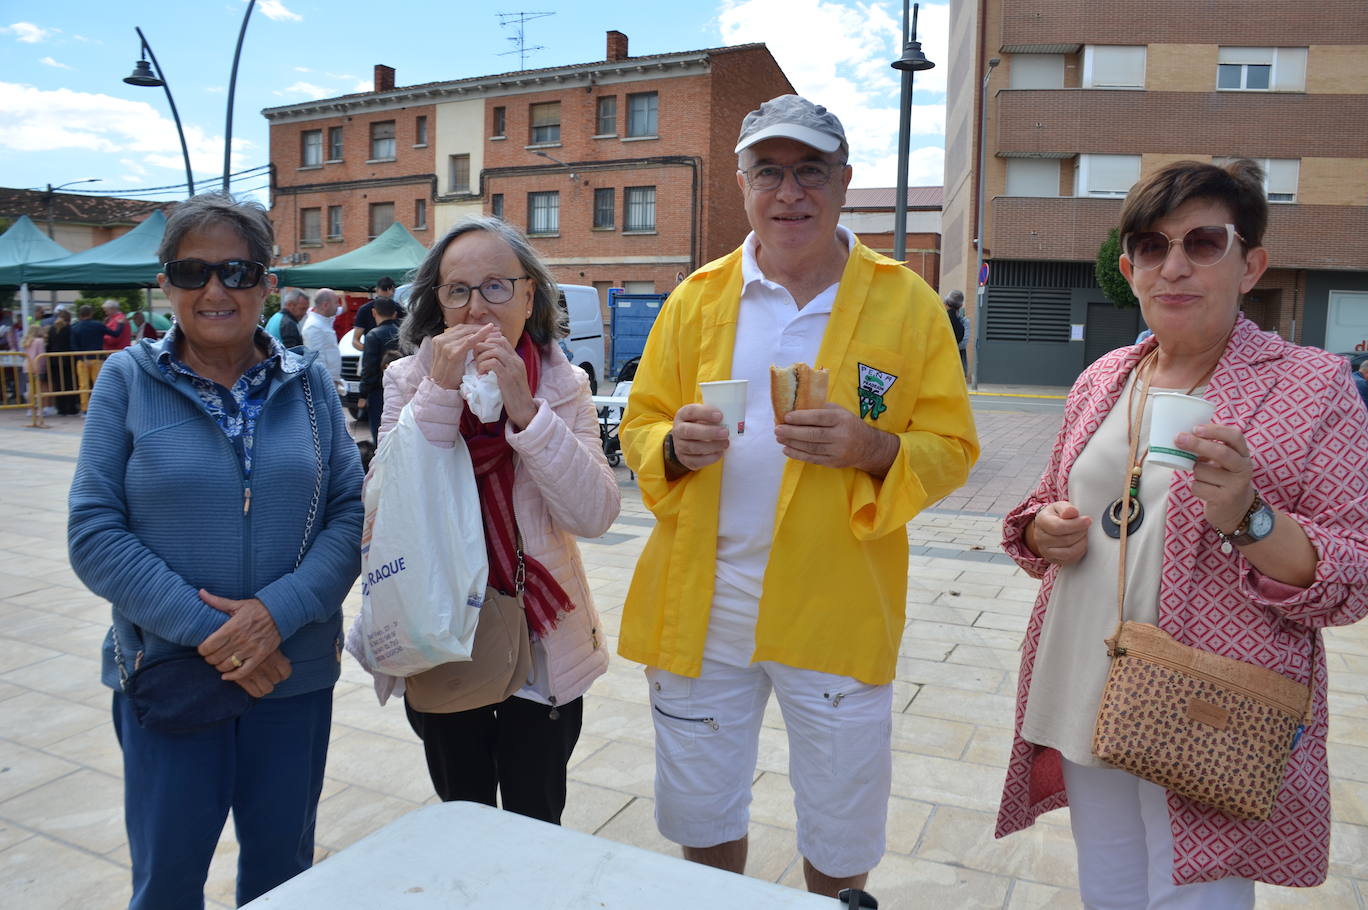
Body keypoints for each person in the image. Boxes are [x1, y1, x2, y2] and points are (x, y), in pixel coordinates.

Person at [617, 94, 979, 899]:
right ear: (743, 185)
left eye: (810, 171)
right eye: (769, 173)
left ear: (844, 181)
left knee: (841, 821)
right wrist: (672, 447)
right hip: (703, 607)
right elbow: (639, 424)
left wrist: (873, 447)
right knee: (704, 813)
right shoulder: (696, 297)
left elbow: (952, 447)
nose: (791, 193)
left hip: (838, 606)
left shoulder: (906, 301)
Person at [995, 160, 1368, 906]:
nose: (1173, 266)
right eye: (1151, 245)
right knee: (1108, 879)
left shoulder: (1313, 385)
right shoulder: (1105, 376)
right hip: (1084, 670)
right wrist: (1042, 531)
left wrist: (1249, 518)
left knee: (1194, 894)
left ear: (1250, 264)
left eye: (1203, 243)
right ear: (1129, 266)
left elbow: (1358, 570)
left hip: (1206, 699)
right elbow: (1044, 502)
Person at [67, 193, 364, 908]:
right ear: (164, 284)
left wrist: (275, 616)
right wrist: (222, 638)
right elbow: (94, 531)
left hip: (290, 676)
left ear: (268, 283)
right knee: (167, 881)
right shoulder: (127, 381)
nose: (214, 290)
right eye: (191, 270)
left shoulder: (311, 383)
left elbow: (350, 514)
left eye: (236, 270)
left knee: (282, 876)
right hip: (173, 674)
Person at [367, 215, 618, 823]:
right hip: (443, 631)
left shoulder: (565, 384)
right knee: (464, 816)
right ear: (439, 303)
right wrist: (440, 395)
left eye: (496, 287)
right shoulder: (407, 379)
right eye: (459, 291)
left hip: (541, 640)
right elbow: (379, 509)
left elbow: (595, 514)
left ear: (529, 293)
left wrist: (527, 412)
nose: (478, 308)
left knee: (538, 818)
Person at [358, 295, 400, 443]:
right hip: (402, 388)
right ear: (395, 314)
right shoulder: (403, 333)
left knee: (380, 432)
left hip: (378, 391)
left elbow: (369, 368)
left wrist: (363, 394)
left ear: (374, 313)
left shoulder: (373, 335)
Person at [302, 288, 343, 393]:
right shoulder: (314, 326)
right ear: (325, 305)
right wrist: (328, 384)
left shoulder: (323, 321)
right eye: (336, 303)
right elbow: (317, 360)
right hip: (324, 385)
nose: (338, 306)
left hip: (330, 382)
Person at [350, 275, 400, 351]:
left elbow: (355, 341)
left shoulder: (399, 308)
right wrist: (371, 350)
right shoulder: (365, 309)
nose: (387, 292)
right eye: (384, 289)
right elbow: (355, 341)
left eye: (389, 290)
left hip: (394, 355)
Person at [46, 308, 79, 415]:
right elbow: (72, 344)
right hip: (68, 360)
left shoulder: (52, 329)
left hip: (54, 361)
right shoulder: (70, 329)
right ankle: (71, 408)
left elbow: (49, 345)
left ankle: (61, 408)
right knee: (70, 384)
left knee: (58, 385)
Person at [944, 289, 969, 375]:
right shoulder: (964, 322)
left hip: (951, 361)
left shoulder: (944, 318)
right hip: (954, 363)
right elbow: (963, 343)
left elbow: (963, 344)